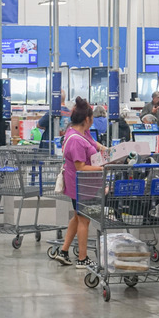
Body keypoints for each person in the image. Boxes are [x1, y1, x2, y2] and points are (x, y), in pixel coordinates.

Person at [54, 97, 104, 269]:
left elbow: (93, 143)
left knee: (77, 217)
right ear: (86, 119)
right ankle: (82, 259)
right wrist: (101, 168)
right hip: (81, 186)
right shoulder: (75, 140)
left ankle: (64, 251)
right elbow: (81, 167)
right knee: (84, 220)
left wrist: (107, 151)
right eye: (92, 118)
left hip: (81, 185)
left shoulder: (79, 131)